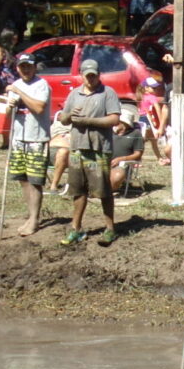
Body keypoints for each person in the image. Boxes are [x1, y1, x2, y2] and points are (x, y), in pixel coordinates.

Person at [58, 59, 122, 247]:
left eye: (94, 75)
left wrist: (88, 120)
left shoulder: (107, 93)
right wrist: (70, 117)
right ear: (81, 75)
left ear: (98, 74)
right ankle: (76, 229)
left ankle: (110, 229)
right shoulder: (74, 94)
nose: (91, 79)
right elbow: (63, 118)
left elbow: (114, 119)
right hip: (78, 147)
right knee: (78, 190)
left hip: (99, 148)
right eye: (88, 76)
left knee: (103, 190)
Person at [4, 53, 51, 237]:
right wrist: (10, 104)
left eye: (28, 66)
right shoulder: (15, 85)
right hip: (18, 138)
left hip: (36, 138)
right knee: (23, 179)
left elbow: (39, 108)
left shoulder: (41, 85)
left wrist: (20, 94)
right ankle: (31, 216)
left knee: (35, 180)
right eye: (22, 66)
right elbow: (8, 115)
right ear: (17, 68)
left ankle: (35, 219)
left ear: (34, 67)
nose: (25, 69)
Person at [110, 109, 144, 193]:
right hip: (105, 162)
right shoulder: (110, 132)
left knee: (117, 176)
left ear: (124, 123)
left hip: (123, 165)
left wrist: (121, 159)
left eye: (117, 121)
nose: (114, 123)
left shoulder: (135, 134)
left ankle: (105, 191)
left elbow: (138, 154)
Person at [137, 76, 167, 164]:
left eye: (156, 88)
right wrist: (162, 121)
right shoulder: (152, 97)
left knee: (149, 140)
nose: (156, 90)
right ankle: (137, 159)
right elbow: (158, 109)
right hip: (148, 119)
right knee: (147, 141)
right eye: (153, 88)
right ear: (146, 88)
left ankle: (159, 158)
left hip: (142, 118)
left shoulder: (142, 96)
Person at [47, 115, 71, 194]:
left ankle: (53, 185)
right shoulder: (56, 124)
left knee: (62, 152)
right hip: (50, 150)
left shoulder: (81, 126)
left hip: (68, 155)